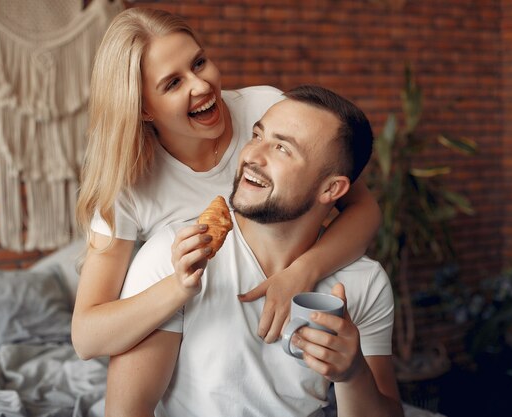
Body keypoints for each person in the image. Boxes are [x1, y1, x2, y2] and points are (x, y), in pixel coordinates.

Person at [72, 7, 382, 360]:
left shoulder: (267, 110)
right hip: (198, 346)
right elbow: (87, 338)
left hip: (288, 341)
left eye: (199, 63)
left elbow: (364, 208)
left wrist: (302, 272)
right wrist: (178, 288)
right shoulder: (127, 185)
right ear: (143, 108)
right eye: (173, 83)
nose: (201, 86)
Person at [106, 85, 403, 417]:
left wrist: (352, 376)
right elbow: (128, 410)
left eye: (281, 148)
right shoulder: (178, 255)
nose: (252, 156)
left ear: (331, 188)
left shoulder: (363, 282)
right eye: (257, 135)